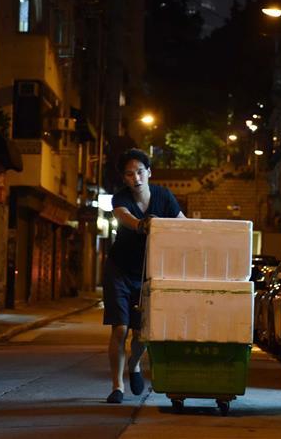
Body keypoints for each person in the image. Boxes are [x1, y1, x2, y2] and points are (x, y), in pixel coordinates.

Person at [103, 148, 185, 404]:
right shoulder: (120, 198)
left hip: (150, 273)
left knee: (142, 334)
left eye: (140, 171)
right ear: (124, 178)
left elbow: (181, 221)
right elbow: (123, 217)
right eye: (129, 174)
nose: (135, 178)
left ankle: (134, 364)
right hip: (119, 269)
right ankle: (117, 387)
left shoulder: (163, 196)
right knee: (120, 329)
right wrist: (141, 224)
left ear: (149, 172)